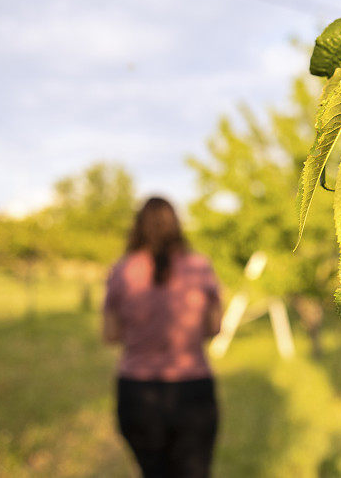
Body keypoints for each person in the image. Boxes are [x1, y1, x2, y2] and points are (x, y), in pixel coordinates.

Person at [103, 197, 222, 478]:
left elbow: (110, 334)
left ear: (138, 227)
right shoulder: (200, 266)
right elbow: (214, 327)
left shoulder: (122, 270)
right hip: (193, 390)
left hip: (137, 393)